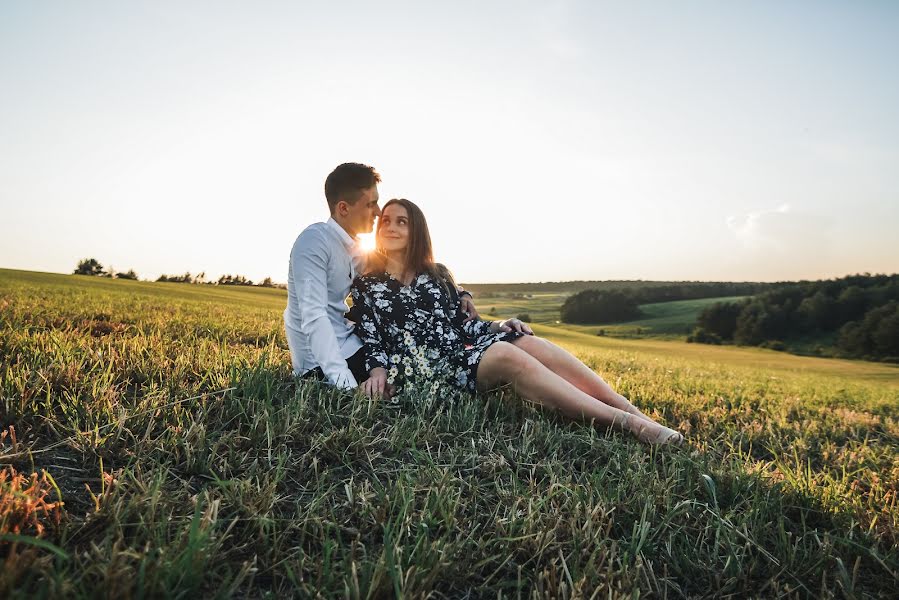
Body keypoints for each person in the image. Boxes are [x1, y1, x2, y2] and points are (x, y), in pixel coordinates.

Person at [348, 198, 684, 445]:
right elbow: (371, 337)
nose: (391, 226)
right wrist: (377, 372)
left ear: (416, 229)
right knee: (507, 356)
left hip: (460, 353)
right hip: (424, 372)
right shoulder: (367, 283)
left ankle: (636, 413)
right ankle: (626, 424)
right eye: (386, 221)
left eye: (402, 221)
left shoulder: (438, 274)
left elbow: (462, 325)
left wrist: (498, 327)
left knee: (529, 342)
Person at [284, 163, 478, 392]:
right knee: (405, 381)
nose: (378, 212)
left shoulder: (355, 248)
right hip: (319, 362)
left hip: (353, 343)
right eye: (371, 204)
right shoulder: (314, 242)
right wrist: (346, 384)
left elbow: (407, 267)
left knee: (416, 358)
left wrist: (461, 292)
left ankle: (476, 357)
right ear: (344, 208)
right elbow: (313, 316)